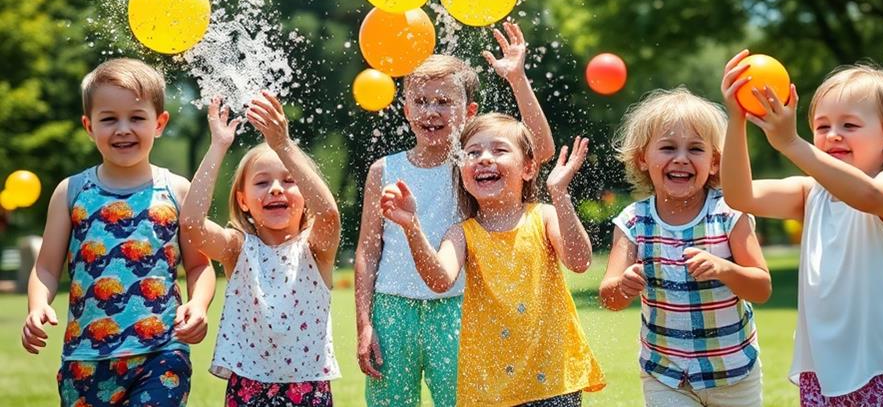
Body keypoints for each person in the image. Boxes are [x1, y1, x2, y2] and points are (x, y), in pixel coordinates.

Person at [355, 22, 555, 407]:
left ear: (469, 111)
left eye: (444, 102)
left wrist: (517, 80)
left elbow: (540, 150)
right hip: (392, 308)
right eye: (421, 101)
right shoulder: (384, 169)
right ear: (405, 108)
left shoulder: (470, 165)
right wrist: (365, 323)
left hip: (459, 306)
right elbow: (367, 251)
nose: (431, 111)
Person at [720, 50, 883, 406]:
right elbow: (739, 195)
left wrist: (791, 143)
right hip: (822, 376)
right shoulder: (811, 193)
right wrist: (736, 118)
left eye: (849, 125)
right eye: (822, 126)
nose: (833, 135)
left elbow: (867, 195)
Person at [21, 58, 215, 405]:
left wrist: (198, 305)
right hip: (85, 358)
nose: (123, 129)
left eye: (136, 118)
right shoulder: (72, 192)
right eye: (109, 119)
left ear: (159, 123)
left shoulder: (176, 190)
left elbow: (199, 266)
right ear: (88, 126)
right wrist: (37, 306)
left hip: (161, 353)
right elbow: (46, 268)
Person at [380, 113, 605, 406]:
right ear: (462, 172)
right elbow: (439, 280)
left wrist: (559, 193)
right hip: (490, 387)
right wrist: (412, 227)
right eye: (472, 153)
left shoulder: (544, 216)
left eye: (499, 150)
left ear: (528, 167)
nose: (484, 158)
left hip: (552, 379)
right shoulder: (461, 234)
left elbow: (579, 262)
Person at [599, 87, 770, 407]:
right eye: (667, 147)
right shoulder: (634, 221)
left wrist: (724, 269)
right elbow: (610, 298)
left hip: (732, 371)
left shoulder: (729, 213)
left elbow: (761, 288)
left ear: (715, 162)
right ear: (642, 158)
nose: (681, 158)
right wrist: (623, 286)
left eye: (695, 149)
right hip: (666, 374)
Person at [179, 91, 341, 406]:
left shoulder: (315, 249)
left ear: (305, 193)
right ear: (243, 200)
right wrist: (217, 146)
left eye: (289, 180)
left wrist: (283, 144)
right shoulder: (237, 248)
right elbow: (191, 225)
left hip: (308, 387)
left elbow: (330, 215)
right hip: (248, 385)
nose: (276, 188)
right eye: (262, 182)